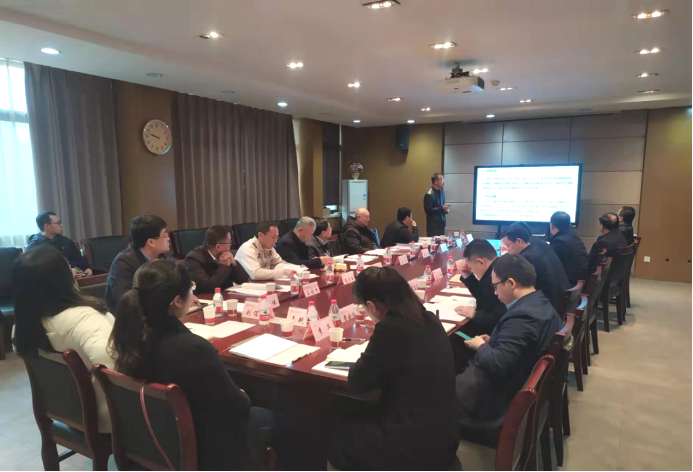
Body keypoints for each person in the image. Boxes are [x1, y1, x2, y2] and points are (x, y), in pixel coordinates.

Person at [108, 260, 271, 470]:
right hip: (203, 448)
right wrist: (241, 394)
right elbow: (236, 408)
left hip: (153, 439)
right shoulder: (192, 348)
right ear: (177, 301)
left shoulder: (129, 336)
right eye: (190, 288)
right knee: (279, 420)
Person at [329, 267, 459, 471]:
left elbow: (358, 381)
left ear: (371, 306)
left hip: (412, 448)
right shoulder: (429, 318)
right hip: (445, 435)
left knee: (330, 435)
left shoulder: (390, 328)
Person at [12, 245, 114, 433]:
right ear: (62, 279)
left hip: (69, 413)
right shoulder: (85, 320)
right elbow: (114, 373)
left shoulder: (21, 327)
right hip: (108, 421)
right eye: (69, 268)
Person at [455, 254, 561, 422]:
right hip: (517, 377)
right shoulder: (540, 302)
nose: (495, 292)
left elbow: (498, 364)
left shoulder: (523, 317)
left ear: (511, 283)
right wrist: (493, 341)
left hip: (498, 399)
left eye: (495, 286)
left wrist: (480, 346)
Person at [105, 215, 176, 314]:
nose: (168, 239)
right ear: (151, 242)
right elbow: (125, 302)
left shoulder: (164, 255)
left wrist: (183, 296)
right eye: (165, 235)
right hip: (131, 318)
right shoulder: (123, 263)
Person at [501, 222, 570, 310]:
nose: (507, 250)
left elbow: (519, 288)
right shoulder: (540, 244)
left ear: (518, 241)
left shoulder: (526, 259)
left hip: (548, 307)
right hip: (561, 298)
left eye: (508, 245)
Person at [456, 239, 507, 336]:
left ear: (480, 262)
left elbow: (499, 317)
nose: (472, 270)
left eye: (471, 268)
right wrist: (468, 275)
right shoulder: (499, 265)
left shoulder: (496, 278)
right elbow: (483, 295)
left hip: (495, 333)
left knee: (458, 335)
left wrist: (475, 314)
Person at [184, 225, 249, 294]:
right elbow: (207, 287)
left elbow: (244, 280)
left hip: (226, 295)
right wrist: (224, 266)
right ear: (218, 247)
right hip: (206, 298)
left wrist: (234, 264)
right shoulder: (194, 259)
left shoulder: (226, 255)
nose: (230, 245)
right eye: (229, 243)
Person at [26, 211, 92, 277]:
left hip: (78, 277)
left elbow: (79, 259)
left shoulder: (65, 241)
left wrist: (87, 268)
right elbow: (37, 272)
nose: (61, 225)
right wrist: (66, 273)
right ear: (47, 226)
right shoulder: (34, 247)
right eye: (58, 223)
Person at [235, 221, 301, 280]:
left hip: (261, 284)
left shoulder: (269, 248)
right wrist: (282, 272)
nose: (276, 241)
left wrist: (297, 268)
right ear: (261, 235)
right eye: (273, 237)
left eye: (277, 237)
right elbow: (255, 274)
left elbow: (279, 264)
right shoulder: (248, 248)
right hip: (244, 286)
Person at [548, 211, 590, 286]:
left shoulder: (559, 242)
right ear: (570, 225)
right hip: (582, 280)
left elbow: (550, 264)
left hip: (571, 283)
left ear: (552, 226)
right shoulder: (573, 236)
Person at [423, 173, 450, 237]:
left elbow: (441, 207)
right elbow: (428, 210)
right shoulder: (429, 193)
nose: (443, 182)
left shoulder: (442, 192)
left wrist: (446, 210)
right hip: (433, 226)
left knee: (442, 241)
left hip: (442, 224)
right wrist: (441, 208)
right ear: (435, 182)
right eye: (441, 180)